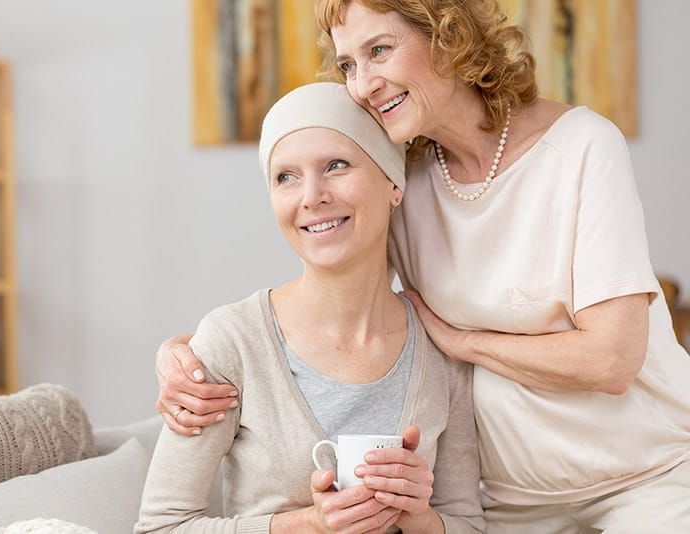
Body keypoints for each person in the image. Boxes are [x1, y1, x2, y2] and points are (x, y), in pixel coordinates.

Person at [156, 1, 690, 531]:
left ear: (448, 36)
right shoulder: (404, 178)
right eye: (348, 65)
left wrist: (466, 345)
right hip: (510, 500)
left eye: (379, 51)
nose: (362, 84)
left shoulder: (581, 147)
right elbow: (331, 305)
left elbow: (613, 359)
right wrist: (187, 355)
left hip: (645, 476)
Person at [136, 82, 485, 534]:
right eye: (286, 177)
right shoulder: (232, 344)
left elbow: (470, 526)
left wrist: (418, 516)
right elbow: (159, 527)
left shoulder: (440, 347)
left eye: (336, 165)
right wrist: (309, 524)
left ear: (392, 183)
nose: (311, 195)